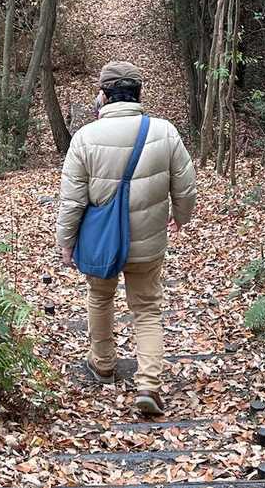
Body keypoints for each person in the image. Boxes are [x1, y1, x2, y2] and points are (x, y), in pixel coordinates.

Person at [57, 61, 197, 417]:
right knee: (147, 308)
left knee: (100, 297)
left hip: (102, 242)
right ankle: (148, 384)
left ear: (103, 95)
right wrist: (181, 217)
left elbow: (72, 201)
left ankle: (103, 363)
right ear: (139, 93)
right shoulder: (165, 132)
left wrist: (66, 242)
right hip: (148, 241)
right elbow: (186, 186)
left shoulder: (85, 138)